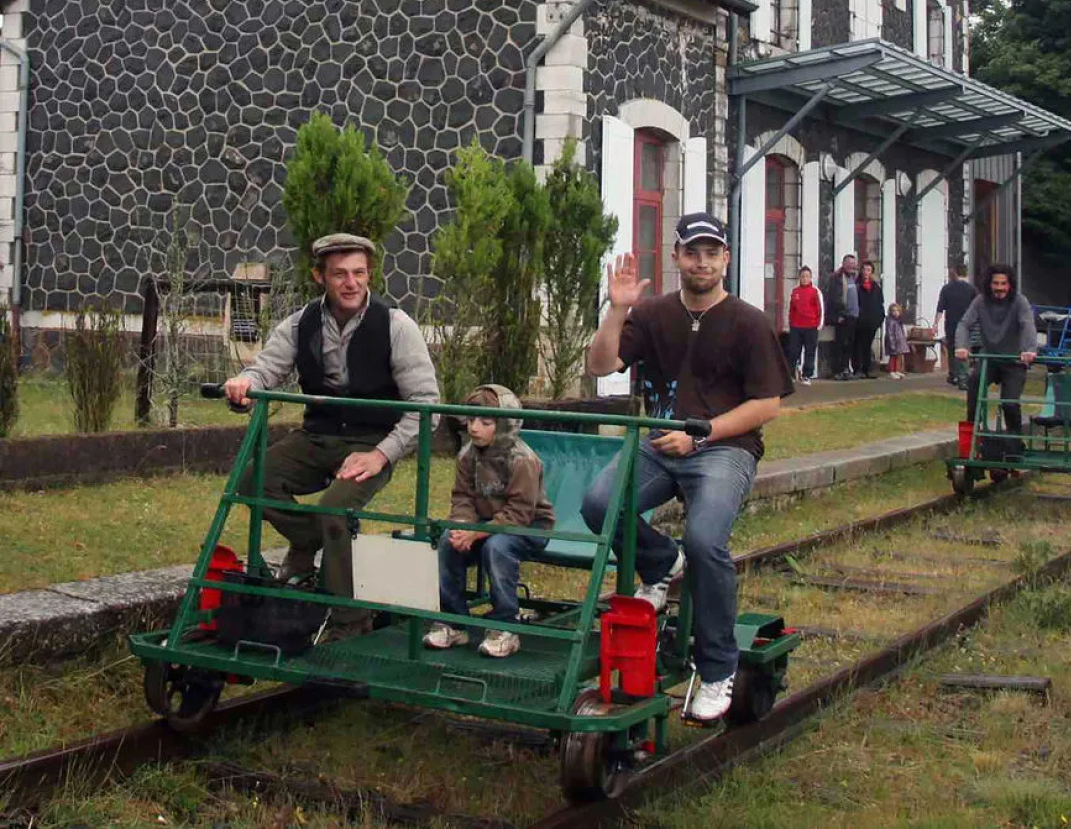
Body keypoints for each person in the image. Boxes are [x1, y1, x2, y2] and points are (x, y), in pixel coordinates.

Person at [582, 212, 793, 724]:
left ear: (725, 259)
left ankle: (718, 667)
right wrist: (616, 311)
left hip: (725, 448)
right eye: (691, 252)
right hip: (660, 446)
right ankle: (660, 565)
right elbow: (599, 365)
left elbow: (766, 405)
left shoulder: (748, 321)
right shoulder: (652, 314)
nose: (701, 262)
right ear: (676, 257)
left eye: (711, 252)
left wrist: (702, 433)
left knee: (704, 542)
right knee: (599, 505)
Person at [223, 233, 440, 636]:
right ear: (319, 276)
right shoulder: (299, 323)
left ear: (369, 275)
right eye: (339, 274)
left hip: (369, 442)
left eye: (358, 273)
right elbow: (265, 370)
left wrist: (380, 455)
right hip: (316, 435)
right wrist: (244, 384)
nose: (350, 283)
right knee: (252, 479)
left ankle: (350, 621)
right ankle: (309, 540)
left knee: (335, 509)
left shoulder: (396, 326)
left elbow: (427, 409)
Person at [423, 384, 555, 658]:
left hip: (528, 528)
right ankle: (454, 620)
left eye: (485, 422)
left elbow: (519, 512)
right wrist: (462, 526)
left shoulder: (522, 460)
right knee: (447, 540)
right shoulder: (467, 455)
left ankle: (506, 625)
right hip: (483, 525)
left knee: (498, 547)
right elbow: (462, 497)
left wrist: (477, 533)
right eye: (471, 419)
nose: (474, 428)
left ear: (505, 424)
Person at [954, 264, 1037, 440]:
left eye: (1003, 284)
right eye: (995, 283)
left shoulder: (1020, 301)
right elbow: (964, 324)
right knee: (974, 384)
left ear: (1010, 285)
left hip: (1014, 360)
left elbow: (1027, 324)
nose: (999, 288)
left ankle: (1015, 442)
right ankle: (973, 435)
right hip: (990, 358)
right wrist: (962, 346)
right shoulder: (980, 301)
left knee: (1010, 403)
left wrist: (1029, 350)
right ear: (989, 284)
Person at [935, 264, 978, 387]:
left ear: (954, 273)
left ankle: (953, 374)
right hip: (967, 324)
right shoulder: (971, 289)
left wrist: (935, 324)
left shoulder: (946, 289)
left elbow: (940, 308)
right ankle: (963, 377)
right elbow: (977, 308)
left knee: (952, 348)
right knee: (963, 349)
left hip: (951, 323)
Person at [786, 266, 824, 385]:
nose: (805, 279)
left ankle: (807, 375)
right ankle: (792, 373)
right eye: (802, 276)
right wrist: (790, 323)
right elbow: (791, 309)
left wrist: (819, 324)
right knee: (794, 351)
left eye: (807, 276)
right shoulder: (795, 291)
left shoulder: (815, 291)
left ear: (810, 278)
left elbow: (820, 309)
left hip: (811, 326)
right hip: (796, 326)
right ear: (799, 278)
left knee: (810, 351)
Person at [825, 254, 859, 380]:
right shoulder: (837, 278)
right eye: (849, 263)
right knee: (840, 344)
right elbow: (832, 298)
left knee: (849, 344)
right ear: (844, 264)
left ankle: (846, 369)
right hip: (843, 316)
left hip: (853, 316)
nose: (851, 265)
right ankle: (838, 370)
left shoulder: (855, 278)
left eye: (853, 263)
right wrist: (837, 315)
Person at [852, 260, 885, 379]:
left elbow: (880, 303)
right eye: (864, 269)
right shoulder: (856, 286)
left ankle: (867, 369)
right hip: (859, 321)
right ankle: (858, 369)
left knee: (867, 345)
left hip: (872, 322)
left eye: (869, 270)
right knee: (858, 345)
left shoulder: (876, 287)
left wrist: (880, 318)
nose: (866, 272)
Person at [884, 302, 909, 379]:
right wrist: (892, 344)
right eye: (893, 311)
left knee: (898, 356)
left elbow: (901, 331)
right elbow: (890, 333)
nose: (895, 312)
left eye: (897, 311)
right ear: (890, 312)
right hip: (893, 342)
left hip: (899, 342)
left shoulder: (899, 321)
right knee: (893, 357)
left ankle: (897, 370)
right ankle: (892, 371)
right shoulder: (890, 321)